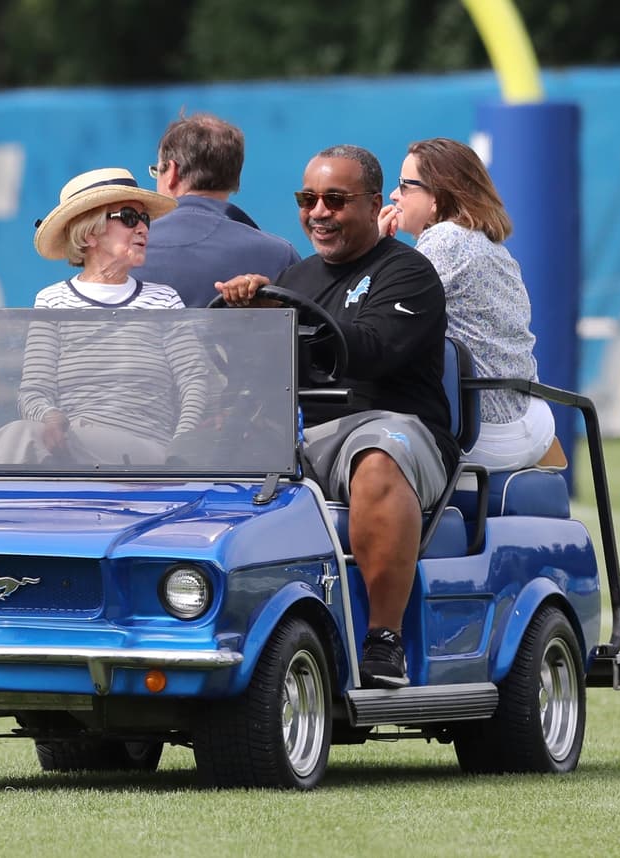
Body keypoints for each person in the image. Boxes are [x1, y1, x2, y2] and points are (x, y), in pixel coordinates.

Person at [216, 145, 459, 688]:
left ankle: (384, 638)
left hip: (395, 425)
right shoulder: (295, 278)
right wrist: (246, 324)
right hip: (304, 433)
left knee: (377, 456)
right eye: (308, 199)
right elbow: (258, 379)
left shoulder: (409, 273)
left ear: (374, 205)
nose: (318, 212)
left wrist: (282, 311)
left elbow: (372, 350)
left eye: (335, 200)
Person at [0, 167, 206, 465]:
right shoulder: (52, 301)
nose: (143, 228)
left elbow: (195, 381)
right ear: (90, 232)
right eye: (129, 218)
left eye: (144, 219)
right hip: (71, 451)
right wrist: (49, 417)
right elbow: (34, 391)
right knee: (25, 438)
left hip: (144, 454)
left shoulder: (164, 300)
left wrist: (181, 447)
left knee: (21, 436)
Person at [378, 137, 562, 472]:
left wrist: (373, 249)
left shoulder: (445, 240)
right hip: (529, 417)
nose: (394, 195)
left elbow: (376, 312)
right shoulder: (484, 242)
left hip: (484, 430)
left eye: (405, 186)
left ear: (436, 196)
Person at [132, 112, 300, 307]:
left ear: (172, 172)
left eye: (157, 171)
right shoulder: (280, 255)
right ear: (235, 178)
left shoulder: (122, 250)